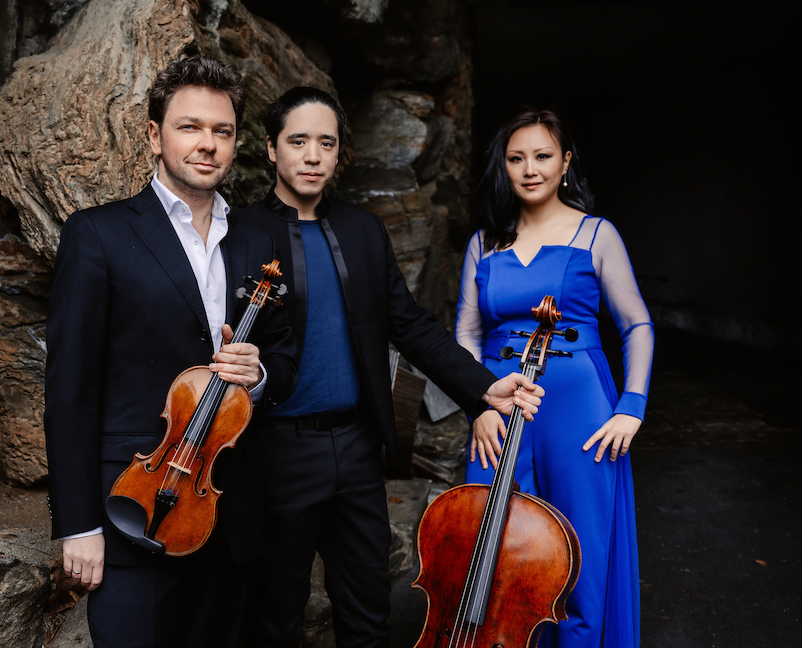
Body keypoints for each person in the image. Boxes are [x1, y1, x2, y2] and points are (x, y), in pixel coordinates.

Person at [233, 86, 546, 648]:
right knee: (275, 614)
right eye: (298, 142)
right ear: (272, 149)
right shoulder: (239, 233)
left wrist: (483, 388)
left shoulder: (363, 230)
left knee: (369, 611)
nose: (312, 156)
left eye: (326, 143)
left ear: (339, 152)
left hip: (357, 449)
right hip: (276, 450)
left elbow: (411, 324)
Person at [43, 55, 296, 648]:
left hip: (227, 514)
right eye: (190, 127)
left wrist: (258, 374)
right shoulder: (98, 233)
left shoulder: (259, 241)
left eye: (222, 130)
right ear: (156, 137)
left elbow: (286, 359)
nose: (207, 143)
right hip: (134, 507)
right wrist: (78, 524)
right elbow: (70, 389)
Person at [456, 107, 654, 647]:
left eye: (542, 156)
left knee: (581, 554)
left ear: (565, 162)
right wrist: (476, 405)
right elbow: (466, 334)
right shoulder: (483, 243)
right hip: (497, 413)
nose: (530, 169)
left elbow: (636, 324)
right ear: (503, 166)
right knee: (495, 555)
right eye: (516, 158)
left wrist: (632, 406)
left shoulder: (597, 234)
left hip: (579, 408)